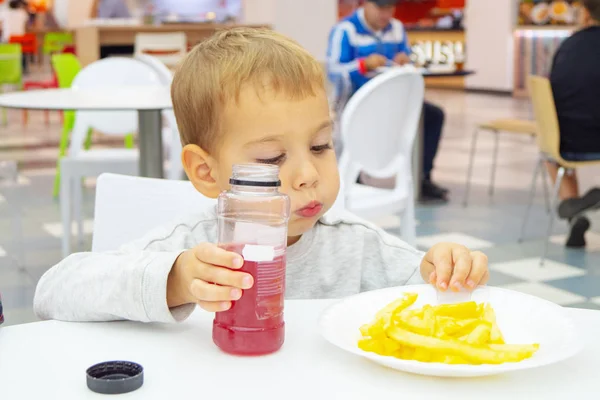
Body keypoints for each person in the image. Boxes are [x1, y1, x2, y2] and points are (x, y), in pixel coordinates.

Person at [33, 27, 489, 323]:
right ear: (207, 172)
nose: (309, 174)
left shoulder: (357, 248)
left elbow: (445, 303)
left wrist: (448, 269)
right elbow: (53, 292)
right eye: (273, 158)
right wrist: (173, 280)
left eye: (320, 146)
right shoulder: (192, 248)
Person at [326, 0, 448, 202]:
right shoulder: (345, 30)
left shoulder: (397, 28)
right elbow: (334, 71)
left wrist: (404, 60)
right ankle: (353, 177)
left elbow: (406, 58)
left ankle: (422, 177)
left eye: (390, 9)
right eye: (381, 8)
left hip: (394, 101)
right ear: (365, 5)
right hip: (358, 102)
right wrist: (363, 65)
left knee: (433, 115)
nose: (386, 14)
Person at [549, 0, 600, 247]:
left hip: (566, 141)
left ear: (587, 14)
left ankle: (574, 214)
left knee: (552, 157)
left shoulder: (568, 45)